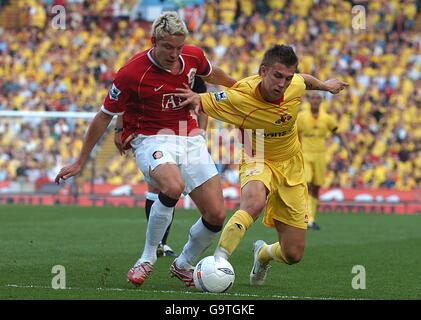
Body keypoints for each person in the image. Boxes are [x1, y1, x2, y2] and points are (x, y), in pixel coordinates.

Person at [55, 11, 236, 288]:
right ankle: (147, 257)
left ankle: (184, 263)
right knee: (172, 186)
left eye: (178, 47)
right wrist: (80, 161)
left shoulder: (193, 56)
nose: (174, 54)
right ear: (154, 41)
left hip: (189, 138)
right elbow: (104, 114)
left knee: (216, 215)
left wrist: (238, 87)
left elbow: (213, 73)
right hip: (151, 138)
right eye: (167, 47)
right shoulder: (131, 73)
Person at [176, 44, 348, 285]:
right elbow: (201, 101)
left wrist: (326, 86)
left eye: (287, 78)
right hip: (256, 157)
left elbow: (304, 80)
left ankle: (263, 253)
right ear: (263, 71)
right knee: (254, 202)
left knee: (293, 254)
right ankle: (219, 262)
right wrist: (193, 97)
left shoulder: (293, 85)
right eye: (277, 76)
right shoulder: (240, 97)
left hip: (291, 165)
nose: (282, 84)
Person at [113, 76, 209, 257]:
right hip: (153, 130)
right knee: (162, 188)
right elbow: (125, 101)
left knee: (173, 189)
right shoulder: (146, 75)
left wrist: (201, 133)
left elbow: (204, 107)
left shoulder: (193, 76)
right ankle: (158, 244)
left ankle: (160, 245)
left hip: (184, 133)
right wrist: (120, 128)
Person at [297, 91, 343, 230]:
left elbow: (336, 131)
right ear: (309, 101)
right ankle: (306, 217)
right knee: (307, 183)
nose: (315, 101)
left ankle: (312, 218)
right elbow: (296, 134)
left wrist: (341, 147)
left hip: (320, 154)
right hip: (305, 153)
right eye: (313, 98)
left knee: (316, 186)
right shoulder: (301, 116)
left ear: (321, 101)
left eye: (318, 98)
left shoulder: (327, 118)